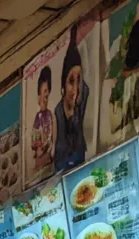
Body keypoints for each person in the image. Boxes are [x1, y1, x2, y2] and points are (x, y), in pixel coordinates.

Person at [53, 24, 90, 172]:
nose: (74, 89)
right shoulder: (57, 113)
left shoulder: (81, 101)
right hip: (62, 173)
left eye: (78, 80)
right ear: (63, 83)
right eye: (70, 81)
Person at [31, 66, 55, 173]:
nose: (45, 99)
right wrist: (39, 148)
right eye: (43, 94)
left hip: (48, 155)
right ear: (38, 96)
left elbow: (53, 136)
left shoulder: (50, 115)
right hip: (40, 155)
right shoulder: (38, 117)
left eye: (47, 95)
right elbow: (34, 137)